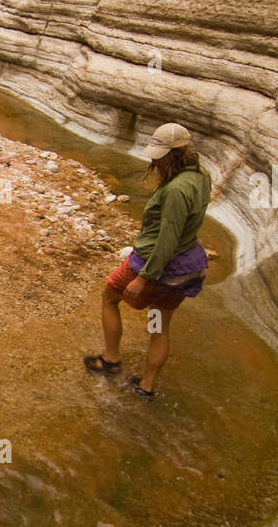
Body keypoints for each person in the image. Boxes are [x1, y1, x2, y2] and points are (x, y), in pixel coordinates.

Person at [83, 123, 211, 399]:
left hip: (155, 264)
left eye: (160, 155)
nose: (154, 159)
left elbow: (168, 237)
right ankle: (147, 386)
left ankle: (110, 360)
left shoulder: (176, 189)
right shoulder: (201, 176)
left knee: (109, 297)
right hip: (187, 266)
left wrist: (145, 278)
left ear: (177, 153)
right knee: (159, 322)